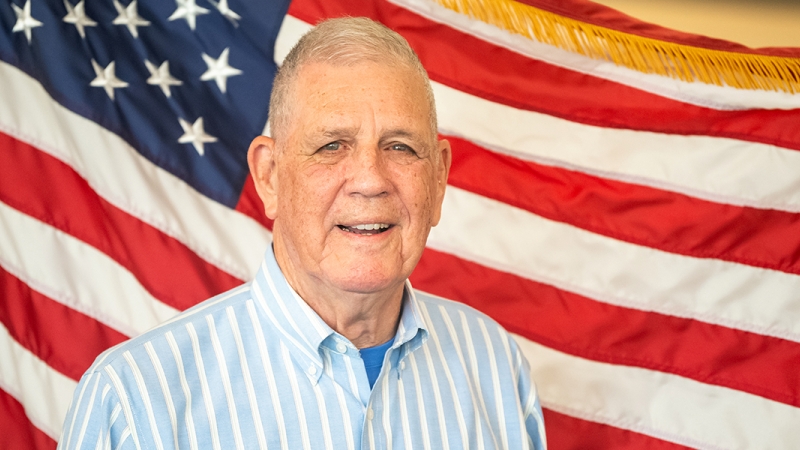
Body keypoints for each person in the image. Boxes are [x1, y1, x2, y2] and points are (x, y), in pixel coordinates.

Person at [58, 17, 546, 450]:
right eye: (332, 145)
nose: (371, 179)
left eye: (400, 147)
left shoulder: (495, 365)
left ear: (438, 179)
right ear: (269, 176)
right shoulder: (134, 401)